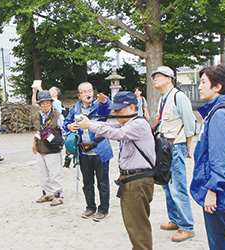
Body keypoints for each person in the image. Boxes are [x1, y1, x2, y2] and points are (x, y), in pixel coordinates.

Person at [77, 91, 155, 250]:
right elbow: (110, 125)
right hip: (132, 180)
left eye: (119, 109)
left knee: (138, 225)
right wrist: (90, 122)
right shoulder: (129, 122)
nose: (115, 112)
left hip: (137, 180)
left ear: (132, 107)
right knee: (134, 223)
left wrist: (90, 126)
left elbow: (117, 133)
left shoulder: (138, 124)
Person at [190, 64, 225, 250]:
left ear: (217, 87)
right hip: (218, 189)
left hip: (218, 192)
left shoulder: (219, 114)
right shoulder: (216, 111)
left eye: (203, 82)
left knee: (220, 241)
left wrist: (213, 191)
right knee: (220, 237)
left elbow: (221, 158)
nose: (200, 86)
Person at [152, 66, 195, 242]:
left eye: (159, 76)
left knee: (178, 187)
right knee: (167, 185)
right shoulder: (163, 99)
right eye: (154, 76)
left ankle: (187, 226)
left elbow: (190, 123)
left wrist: (188, 146)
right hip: (165, 148)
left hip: (176, 146)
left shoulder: (179, 96)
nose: (155, 79)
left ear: (170, 78)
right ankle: (175, 219)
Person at [63, 82, 113, 222]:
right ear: (79, 95)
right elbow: (65, 122)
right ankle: (90, 207)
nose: (87, 94)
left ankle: (103, 209)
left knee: (102, 182)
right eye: (84, 92)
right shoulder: (75, 108)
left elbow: (105, 110)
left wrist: (105, 101)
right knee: (87, 182)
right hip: (83, 151)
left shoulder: (98, 105)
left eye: (90, 90)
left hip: (100, 149)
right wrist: (69, 125)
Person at [32, 90, 64, 206]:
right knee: (43, 173)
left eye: (47, 103)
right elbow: (37, 131)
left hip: (53, 149)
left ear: (51, 103)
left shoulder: (57, 115)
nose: (45, 105)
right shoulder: (37, 116)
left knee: (55, 173)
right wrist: (34, 143)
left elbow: (63, 130)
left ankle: (59, 195)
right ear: (39, 105)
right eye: (42, 103)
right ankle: (48, 193)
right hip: (40, 149)